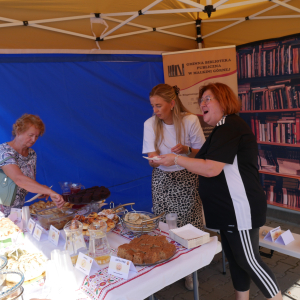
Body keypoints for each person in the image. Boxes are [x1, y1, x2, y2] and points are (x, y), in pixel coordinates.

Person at [155, 82, 282, 300]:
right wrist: (186, 153)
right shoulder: (222, 129)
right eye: (200, 99)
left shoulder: (230, 126)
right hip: (228, 209)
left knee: (248, 259)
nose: (201, 103)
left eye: (207, 99)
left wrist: (176, 159)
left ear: (223, 102)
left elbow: (211, 168)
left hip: (239, 208)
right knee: (236, 260)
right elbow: (207, 161)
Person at [142, 83, 206, 290]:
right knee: (164, 223)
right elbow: (151, 158)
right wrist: (156, 160)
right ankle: (167, 264)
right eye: (153, 106)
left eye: (159, 106)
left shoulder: (190, 120)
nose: (155, 110)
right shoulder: (150, 124)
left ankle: (190, 270)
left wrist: (186, 150)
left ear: (172, 103)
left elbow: (201, 153)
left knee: (188, 223)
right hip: (161, 178)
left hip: (186, 177)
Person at [0, 114, 65, 217]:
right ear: (18, 131)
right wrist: (48, 191)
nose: (34, 139)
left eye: (36, 136)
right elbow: (19, 179)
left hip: (16, 213)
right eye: (30, 135)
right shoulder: (3, 151)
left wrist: (40, 189)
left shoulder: (31, 154)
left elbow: (28, 182)